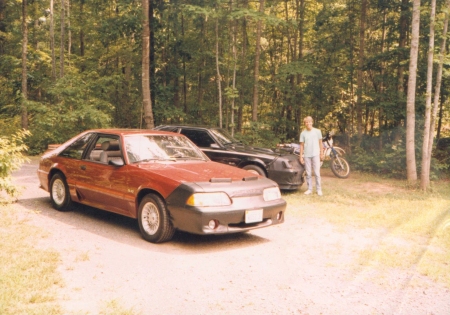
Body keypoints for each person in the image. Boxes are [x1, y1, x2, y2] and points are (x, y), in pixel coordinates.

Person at [299, 116, 324, 196]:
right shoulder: (303, 133)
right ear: (305, 124)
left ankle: (319, 189)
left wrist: (321, 153)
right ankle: (309, 189)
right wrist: (301, 156)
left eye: (309, 122)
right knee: (308, 173)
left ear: (312, 122)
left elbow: (320, 143)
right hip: (307, 155)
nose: (308, 123)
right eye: (306, 122)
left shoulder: (317, 131)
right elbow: (302, 146)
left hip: (316, 154)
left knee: (317, 173)